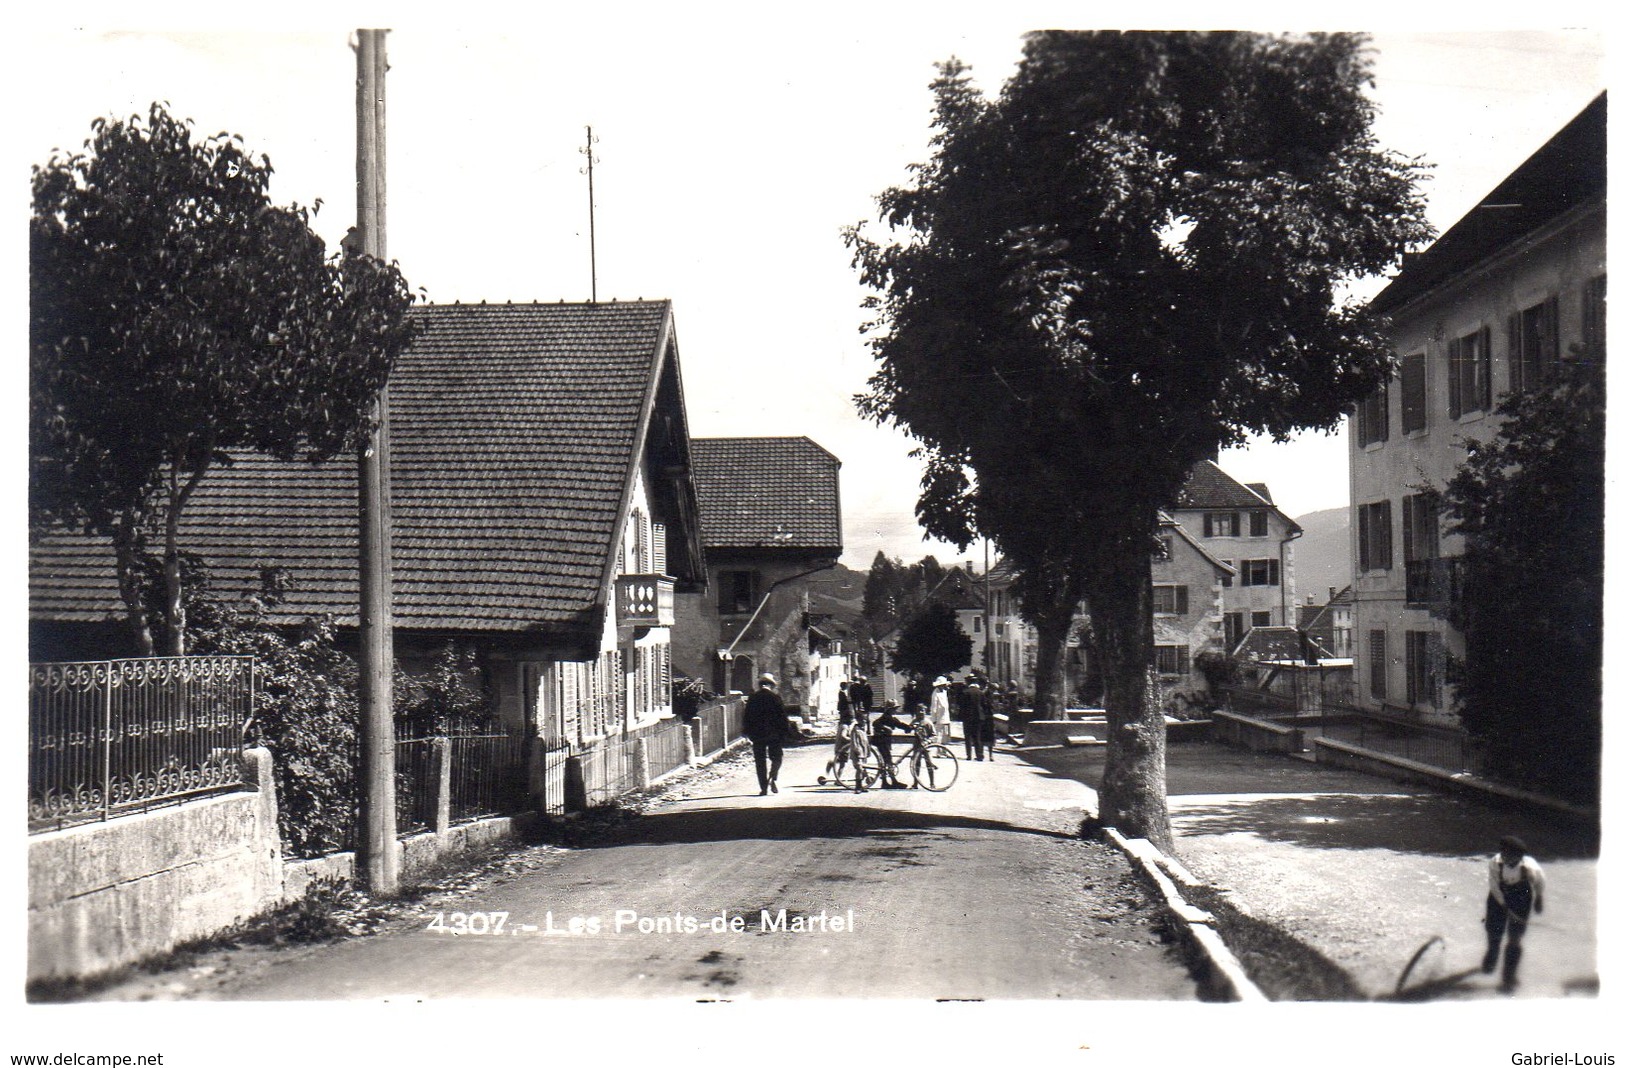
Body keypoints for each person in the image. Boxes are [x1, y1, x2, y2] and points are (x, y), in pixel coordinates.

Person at [1483, 835, 1546, 992]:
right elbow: (1494, 886)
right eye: (1504, 853)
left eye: (1511, 855)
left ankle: (1509, 976)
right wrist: (1504, 907)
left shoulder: (1530, 866)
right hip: (1499, 897)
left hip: (1521, 898)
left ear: (1520, 856)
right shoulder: (1495, 863)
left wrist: (1539, 898)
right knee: (1494, 931)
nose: (1506, 857)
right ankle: (1492, 954)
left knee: (1515, 937)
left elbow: (1540, 882)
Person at [743, 673, 792, 796]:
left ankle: (763, 788)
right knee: (777, 757)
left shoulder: (753, 698)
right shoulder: (775, 698)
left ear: (760, 685)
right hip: (774, 734)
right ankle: (773, 776)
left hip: (757, 734)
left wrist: (747, 731)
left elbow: (747, 716)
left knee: (760, 761)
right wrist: (785, 732)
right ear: (771, 685)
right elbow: (782, 717)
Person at [868, 702, 911, 788]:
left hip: (884, 741)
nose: (895, 710)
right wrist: (885, 727)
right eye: (893, 709)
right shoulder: (886, 717)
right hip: (881, 741)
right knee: (887, 761)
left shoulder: (890, 717)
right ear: (889, 709)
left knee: (886, 761)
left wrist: (908, 727)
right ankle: (891, 782)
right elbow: (875, 723)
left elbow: (899, 724)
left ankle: (887, 781)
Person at [960, 675, 988, 761]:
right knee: (977, 736)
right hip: (979, 717)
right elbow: (984, 705)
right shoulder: (981, 693)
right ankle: (979, 755)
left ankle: (969, 755)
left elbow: (962, 705)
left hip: (967, 717)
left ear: (969, 683)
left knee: (968, 736)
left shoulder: (965, 692)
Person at [929, 676, 952, 746]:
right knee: (939, 734)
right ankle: (939, 750)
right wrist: (934, 718)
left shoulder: (944, 692)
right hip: (939, 717)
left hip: (946, 716)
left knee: (946, 734)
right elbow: (934, 707)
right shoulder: (935, 693)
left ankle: (945, 750)